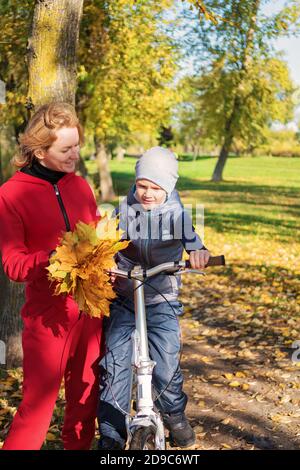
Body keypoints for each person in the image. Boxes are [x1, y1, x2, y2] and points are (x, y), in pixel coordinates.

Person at [0, 102, 103, 450]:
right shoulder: (11, 195)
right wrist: (52, 259)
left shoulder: (81, 187)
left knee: (85, 407)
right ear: (40, 151)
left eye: (77, 146)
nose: (75, 155)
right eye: (65, 149)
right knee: (37, 411)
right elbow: (13, 264)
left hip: (91, 314)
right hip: (48, 321)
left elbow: (99, 240)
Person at [98, 146, 210, 450]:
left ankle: (174, 415)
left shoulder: (178, 215)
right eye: (142, 185)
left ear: (169, 187)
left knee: (166, 362)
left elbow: (195, 245)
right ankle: (111, 433)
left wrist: (199, 254)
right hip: (125, 295)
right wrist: (106, 260)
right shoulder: (124, 208)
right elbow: (105, 241)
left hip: (161, 298)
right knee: (114, 364)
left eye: (155, 188)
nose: (147, 193)